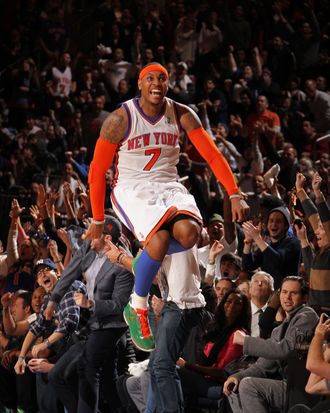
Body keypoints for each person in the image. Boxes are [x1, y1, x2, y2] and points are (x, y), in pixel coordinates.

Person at [83, 62, 249, 351]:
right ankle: (137, 305)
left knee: (189, 235)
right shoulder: (120, 118)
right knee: (159, 238)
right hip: (132, 187)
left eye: (162, 78)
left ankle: (143, 261)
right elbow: (97, 169)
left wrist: (234, 192)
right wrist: (97, 217)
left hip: (168, 184)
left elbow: (211, 153)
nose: (156, 83)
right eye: (150, 78)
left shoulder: (182, 114)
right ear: (140, 84)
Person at [223, 276, 319, 413]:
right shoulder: (279, 330)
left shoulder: (307, 316)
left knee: (248, 385)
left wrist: (246, 340)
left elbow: (286, 349)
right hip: (287, 386)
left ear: (304, 298)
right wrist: (237, 377)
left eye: (294, 293)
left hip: (302, 387)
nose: (287, 297)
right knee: (233, 387)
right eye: (284, 292)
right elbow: (263, 365)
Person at [177, 288, 251, 407]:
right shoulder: (215, 328)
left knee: (172, 372)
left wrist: (186, 365)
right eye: (229, 301)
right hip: (201, 378)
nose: (232, 305)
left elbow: (222, 373)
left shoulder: (239, 335)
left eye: (238, 303)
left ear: (243, 309)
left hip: (218, 385)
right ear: (223, 304)